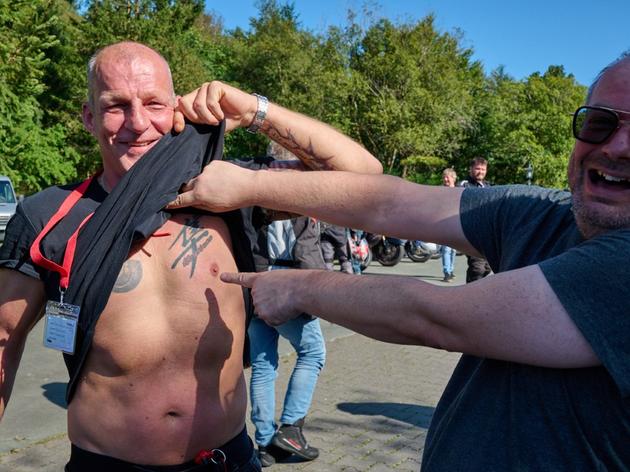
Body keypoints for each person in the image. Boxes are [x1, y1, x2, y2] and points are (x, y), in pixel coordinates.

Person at [167, 52, 630, 470]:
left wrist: (296, 287)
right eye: (601, 123)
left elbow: (433, 316)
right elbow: (389, 202)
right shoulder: (543, 213)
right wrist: (253, 128)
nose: (617, 147)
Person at [0, 41, 381, 471]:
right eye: (116, 106)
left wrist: (255, 110)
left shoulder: (229, 191)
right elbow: (3, 346)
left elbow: (362, 176)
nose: (138, 122)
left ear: (176, 108)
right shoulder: (49, 216)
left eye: (153, 103)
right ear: (89, 116)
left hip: (228, 459)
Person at [247, 142, 326, 467]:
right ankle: (291, 429)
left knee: (264, 364)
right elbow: (307, 249)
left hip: (254, 279)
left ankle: (265, 443)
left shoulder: (251, 193)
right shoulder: (296, 194)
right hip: (290, 282)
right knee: (313, 352)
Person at [459, 156, 492, 282]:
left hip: (488, 234)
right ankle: (470, 295)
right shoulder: (464, 185)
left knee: (488, 267)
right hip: (471, 232)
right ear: (471, 169)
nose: (480, 172)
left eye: (483, 169)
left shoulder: (488, 187)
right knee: (477, 267)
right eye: (477, 169)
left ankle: (472, 289)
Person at [440, 168, 457, 282]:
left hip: (455, 223)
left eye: (448, 177)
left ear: (453, 178)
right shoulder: (441, 191)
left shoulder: (458, 191)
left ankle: (451, 270)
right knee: (446, 249)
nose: (446, 179)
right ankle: (447, 272)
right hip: (444, 223)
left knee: (454, 249)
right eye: (444, 177)